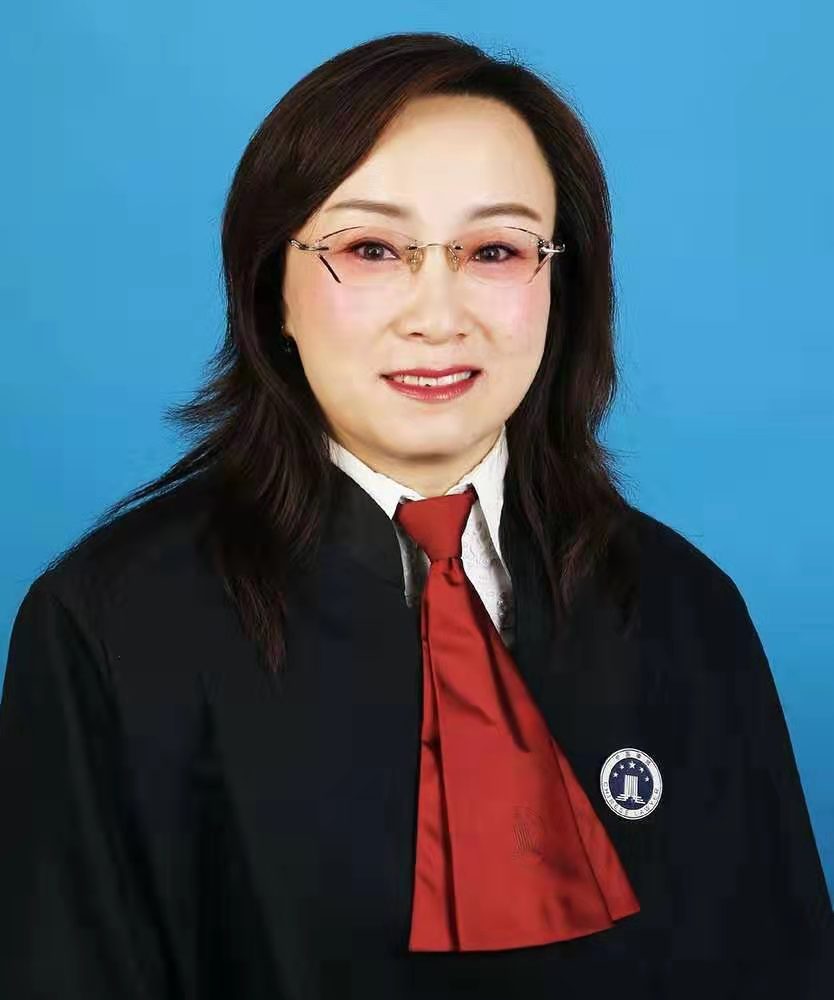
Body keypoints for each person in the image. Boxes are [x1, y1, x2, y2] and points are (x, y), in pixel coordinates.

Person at [1, 30, 831, 1000]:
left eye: (494, 250)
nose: (437, 316)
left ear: (561, 288)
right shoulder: (108, 625)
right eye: (370, 250)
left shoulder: (684, 607)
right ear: (272, 289)